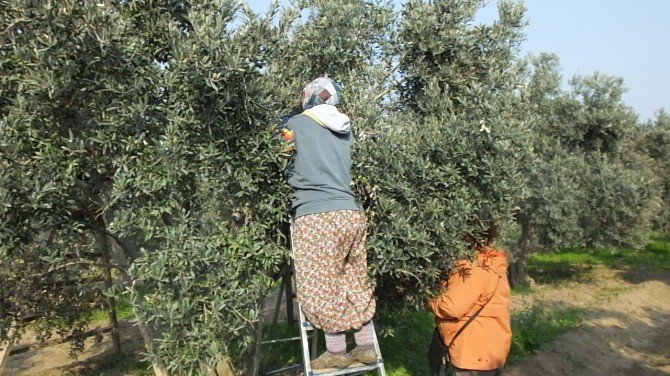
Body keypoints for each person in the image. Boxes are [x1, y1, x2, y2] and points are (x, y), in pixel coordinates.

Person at [283, 77, 377, 370]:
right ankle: (366, 347)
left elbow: (280, 157)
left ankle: (335, 351)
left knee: (320, 284)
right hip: (350, 212)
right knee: (354, 279)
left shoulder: (296, 124)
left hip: (316, 215)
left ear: (309, 97)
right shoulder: (345, 128)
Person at [428, 223, 512, 376]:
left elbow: (451, 307)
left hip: (473, 353)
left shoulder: (474, 267)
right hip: (488, 349)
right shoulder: (491, 262)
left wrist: (428, 298)